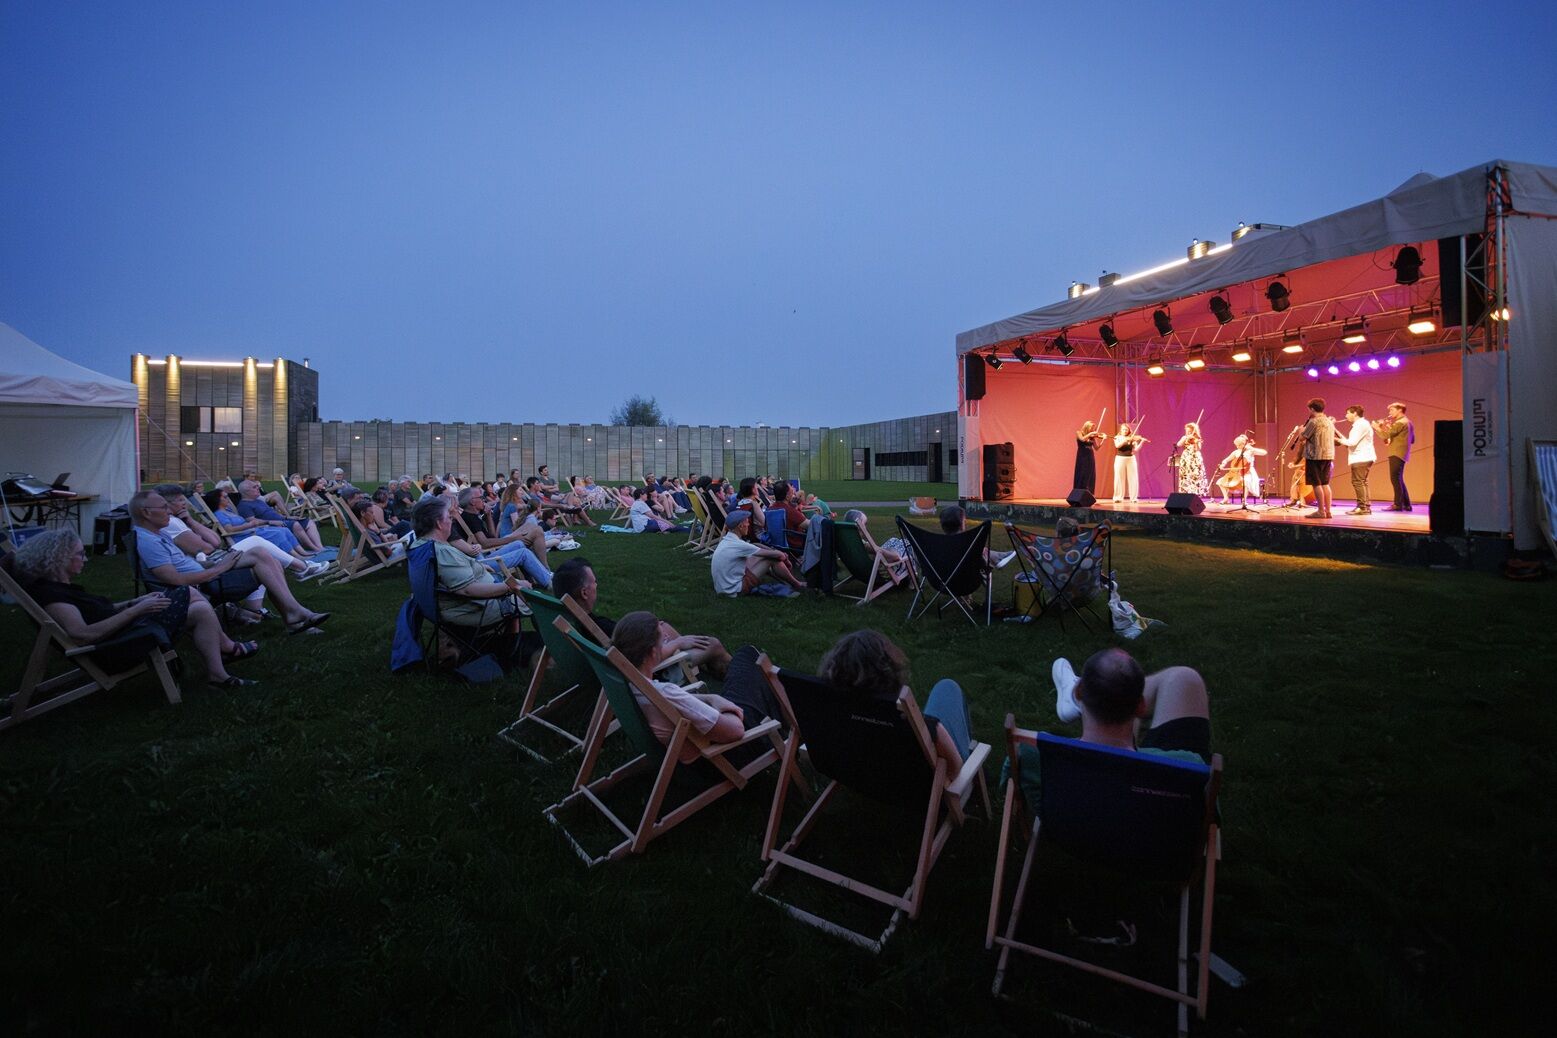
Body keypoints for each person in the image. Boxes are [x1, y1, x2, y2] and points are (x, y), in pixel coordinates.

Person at [12, 528, 258, 689]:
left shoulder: (59, 588)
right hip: (119, 647)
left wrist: (133, 602)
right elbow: (82, 634)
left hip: (125, 633)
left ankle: (218, 674)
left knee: (200, 610)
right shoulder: (52, 595)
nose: (85, 559)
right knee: (186, 591)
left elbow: (103, 610)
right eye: (80, 554)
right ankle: (226, 649)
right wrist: (137, 611)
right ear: (59, 558)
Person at [130, 490, 330, 634]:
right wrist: (220, 567)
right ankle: (295, 605)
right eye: (167, 505)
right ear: (147, 513)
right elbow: (197, 558)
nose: (176, 507)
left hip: (209, 566)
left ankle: (294, 611)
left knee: (265, 555)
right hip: (209, 581)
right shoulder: (156, 537)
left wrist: (190, 521)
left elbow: (214, 542)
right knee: (264, 554)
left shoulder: (158, 534)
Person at [609, 611, 781, 765]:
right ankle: (788, 710)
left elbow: (681, 705)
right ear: (654, 652)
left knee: (745, 673)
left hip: (685, 751)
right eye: (664, 640)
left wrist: (711, 698)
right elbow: (736, 730)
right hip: (726, 754)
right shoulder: (667, 693)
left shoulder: (628, 684)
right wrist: (723, 703)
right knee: (747, 655)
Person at [818, 629, 975, 771]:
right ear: (889, 671)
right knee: (947, 687)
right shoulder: (924, 727)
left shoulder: (834, 716)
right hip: (923, 789)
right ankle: (971, 754)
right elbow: (955, 771)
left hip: (864, 775)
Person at [552, 558, 731, 674]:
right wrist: (676, 643)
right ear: (584, 593)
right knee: (713, 644)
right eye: (595, 582)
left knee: (664, 627)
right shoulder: (596, 626)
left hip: (604, 668)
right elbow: (638, 660)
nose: (596, 586)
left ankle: (711, 665)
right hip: (646, 673)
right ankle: (734, 672)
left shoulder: (567, 620)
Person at [1048, 647, 1212, 765]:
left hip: (1085, 794)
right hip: (1153, 788)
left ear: (1079, 692)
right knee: (1184, 678)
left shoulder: (1044, 758)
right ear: (1141, 707)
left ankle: (1074, 699)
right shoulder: (1188, 765)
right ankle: (1118, 696)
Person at [710, 510, 805, 595]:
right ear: (740, 526)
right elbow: (775, 555)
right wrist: (781, 554)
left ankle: (786, 583)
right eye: (747, 522)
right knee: (769, 559)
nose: (749, 524)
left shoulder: (728, 540)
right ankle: (796, 584)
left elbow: (755, 545)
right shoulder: (738, 545)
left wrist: (772, 551)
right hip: (735, 589)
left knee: (761, 556)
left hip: (723, 587)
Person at [235, 479, 325, 552]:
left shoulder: (258, 501)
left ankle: (320, 547)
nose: (258, 487)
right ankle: (314, 549)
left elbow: (273, 513)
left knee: (310, 522)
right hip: (271, 526)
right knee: (295, 525)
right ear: (246, 491)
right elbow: (253, 522)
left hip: (283, 520)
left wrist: (288, 517)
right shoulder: (244, 506)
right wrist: (271, 522)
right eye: (254, 487)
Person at [938, 504, 1016, 569]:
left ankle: (997, 557)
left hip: (940, 579)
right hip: (968, 579)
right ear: (962, 525)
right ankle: (997, 558)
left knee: (977, 550)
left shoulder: (935, 545)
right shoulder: (967, 544)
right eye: (964, 521)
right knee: (978, 551)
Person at [1372, 402, 1415, 511]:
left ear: (1399, 410)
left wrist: (1376, 427)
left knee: (1395, 479)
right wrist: (1389, 428)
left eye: (1391, 410)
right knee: (1399, 479)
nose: (1389, 413)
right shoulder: (1408, 422)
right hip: (1402, 453)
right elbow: (1412, 439)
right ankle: (1406, 504)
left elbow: (1385, 435)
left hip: (1396, 453)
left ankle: (1397, 504)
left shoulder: (1400, 422)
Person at [1335, 404, 1377, 515]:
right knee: (1362, 482)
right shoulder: (1362, 424)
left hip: (1361, 458)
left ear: (1355, 413)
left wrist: (1336, 439)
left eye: (1348, 413)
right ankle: (1365, 507)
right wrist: (1334, 430)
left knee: (1358, 482)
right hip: (1363, 457)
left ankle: (1362, 507)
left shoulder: (1360, 425)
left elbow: (1351, 443)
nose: (1346, 415)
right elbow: (1350, 441)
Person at [1299, 397, 1336, 519]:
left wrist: (1301, 430)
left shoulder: (1313, 422)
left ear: (1312, 409)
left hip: (1314, 456)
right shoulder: (1329, 421)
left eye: (1309, 409)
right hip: (1328, 455)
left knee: (1316, 484)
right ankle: (1328, 511)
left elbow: (1302, 438)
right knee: (1325, 483)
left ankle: (1320, 511)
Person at [1213, 435, 1266, 505]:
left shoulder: (1250, 451)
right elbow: (1226, 459)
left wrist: (1252, 448)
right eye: (1236, 445)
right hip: (1237, 473)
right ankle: (1226, 498)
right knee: (1220, 482)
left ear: (1244, 444)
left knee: (1245, 481)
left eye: (1238, 445)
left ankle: (1244, 500)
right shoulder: (1236, 452)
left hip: (1248, 472)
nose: (1237, 447)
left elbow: (1264, 452)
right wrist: (1223, 464)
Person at [1111, 423, 1146, 503]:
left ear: (1129, 430)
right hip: (1120, 458)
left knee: (1133, 478)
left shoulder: (1132, 438)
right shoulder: (1117, 437)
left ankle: (1133, 498)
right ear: (1121, 430)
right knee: (1119, 478)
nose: (1125, 431)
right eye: (1123, 429)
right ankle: (1118, 497)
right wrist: (1125, 440)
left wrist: (1142, 442)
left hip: (1131, 459)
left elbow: (1136, 449)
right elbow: (1117, 446)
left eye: (1126, 430)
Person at [1175, 422, 1210, 496]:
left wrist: (1196, 442)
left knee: (1195, 475)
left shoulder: (1197, 438)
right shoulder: (1184, 437)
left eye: (1190, 431)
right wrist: (1185, 438)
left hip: (1195, 458)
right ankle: (1185, 492)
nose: (1188, 432)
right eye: (1187, 431)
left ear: (1194, 430)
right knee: (1185, 474)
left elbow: (1198, 448)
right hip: (1186, 458)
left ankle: (1195, 493)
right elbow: (1178, 444)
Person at [1074, 421, 1106, 494]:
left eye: (1093, 429)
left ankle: (1089, 493)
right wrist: (1090, 434)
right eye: (1091, 428)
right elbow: (1082, 439)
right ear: (1087, 427)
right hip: (1082, 456)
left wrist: (1103, 440)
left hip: (1090, 457)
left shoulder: (1092, 437)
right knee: (1082, 473)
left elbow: (1096, 448)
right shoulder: (1079, 433)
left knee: (1090, 474)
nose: (1093, 430)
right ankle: (1079, 493)